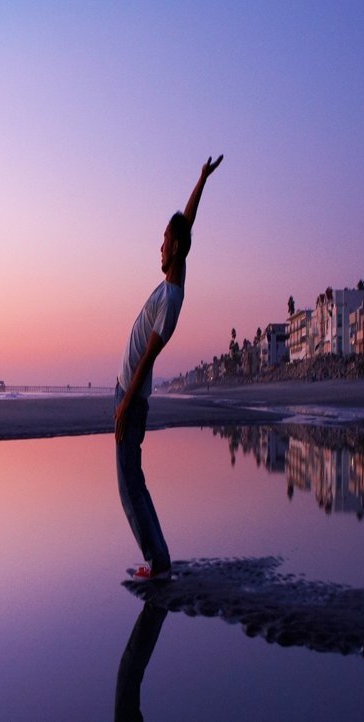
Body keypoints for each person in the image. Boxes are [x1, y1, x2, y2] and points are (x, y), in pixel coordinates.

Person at [114, 155, 223, 582]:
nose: (158, 247)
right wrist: (201, 179)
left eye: (163, 241)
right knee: (133, 481)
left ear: (173, 249)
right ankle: (159, 559)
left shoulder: (173, 298)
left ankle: (157, 564)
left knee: (130, 486)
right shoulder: (177, 272)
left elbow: (148, 358)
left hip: (132, 397)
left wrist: (124, 405)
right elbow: (188, 223)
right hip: (127, 394)